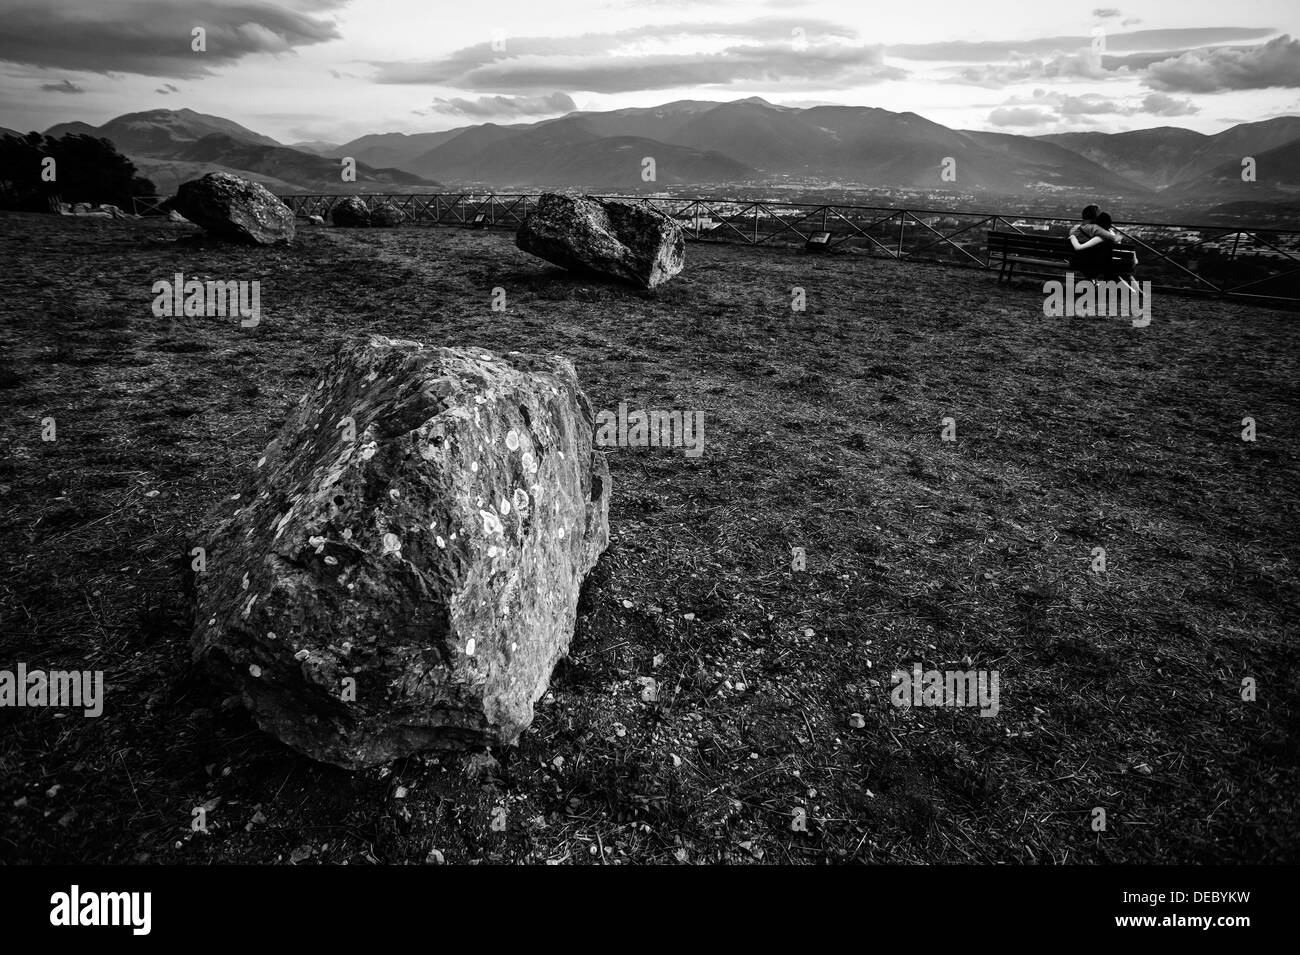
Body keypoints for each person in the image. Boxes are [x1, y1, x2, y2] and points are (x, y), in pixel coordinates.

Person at [1068, 205, 1123, 279]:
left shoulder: (1078, 230)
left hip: (1085, 263)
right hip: (1101, 264)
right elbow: (1115, 239)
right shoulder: (1102, 234)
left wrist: (1073, 238)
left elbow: (1077, 243)